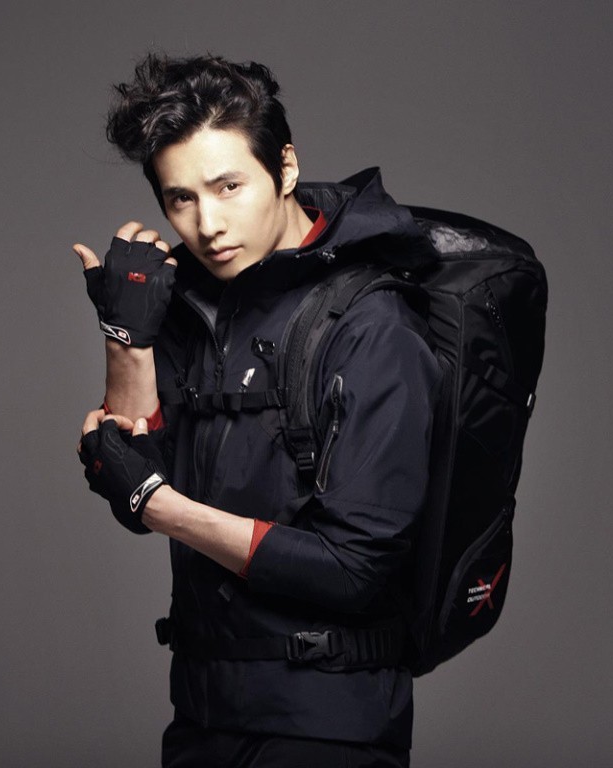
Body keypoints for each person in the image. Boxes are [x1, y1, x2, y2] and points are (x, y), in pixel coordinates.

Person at [74, 52, 441, 767]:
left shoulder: (372, 325)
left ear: (286, 168)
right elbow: (130, 481)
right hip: (201, 716)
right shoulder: (199, 304)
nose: (208, 224)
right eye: (181, 199)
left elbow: (355, 568)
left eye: (229, 186)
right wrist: (127, 338)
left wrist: (161, 505)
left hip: (326, 728)